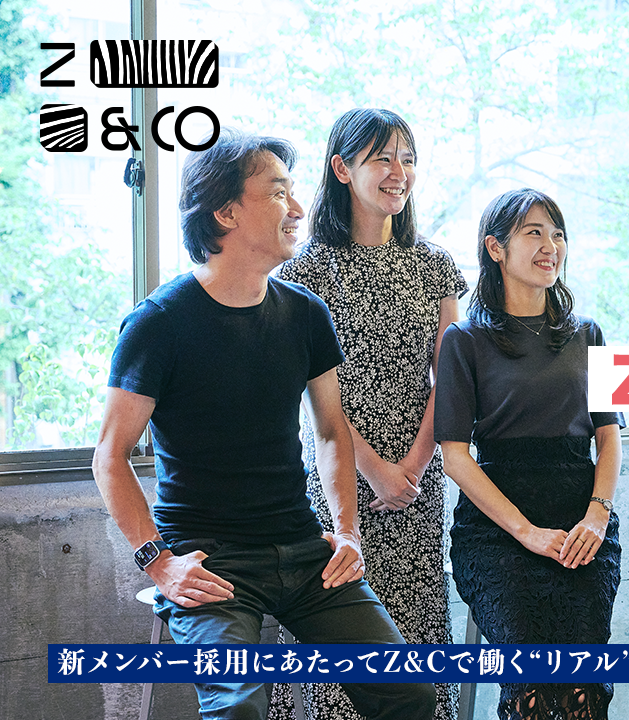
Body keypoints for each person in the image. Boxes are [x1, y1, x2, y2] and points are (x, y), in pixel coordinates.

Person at [91, 130, 436, 720]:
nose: (298, 208)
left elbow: (331, 431)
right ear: (226, 212)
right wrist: (159, 561)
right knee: (240, 710)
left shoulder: (305, 314)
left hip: (303, 548)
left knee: (410, 693)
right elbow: (110, 454)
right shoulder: (158, 323)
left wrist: (347, 533)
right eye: (279, 193)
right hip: (210, 560)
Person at [264, 109, 465, 720]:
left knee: (417, 643)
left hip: (418, 484)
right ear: (342, 168)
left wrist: (415, 464)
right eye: (382, 158)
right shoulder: (303, 272)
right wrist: (374, 468)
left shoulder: (434, 265)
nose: (398, 171)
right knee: (337, 643)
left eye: (407, 158)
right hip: (336, 483)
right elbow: (310, 398)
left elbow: (449, 379)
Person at [434, 188, 624, 720]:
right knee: (532, 683)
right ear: (495, 248)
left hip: (580, 519)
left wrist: (597, 515)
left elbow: (609, 438)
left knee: (583, 684)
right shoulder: (464, 339)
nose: (550, 246)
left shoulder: (589, 333)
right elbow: (455, 458)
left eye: (557, 234)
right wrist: (526, 532)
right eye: (534, 232)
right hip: (497, 530)